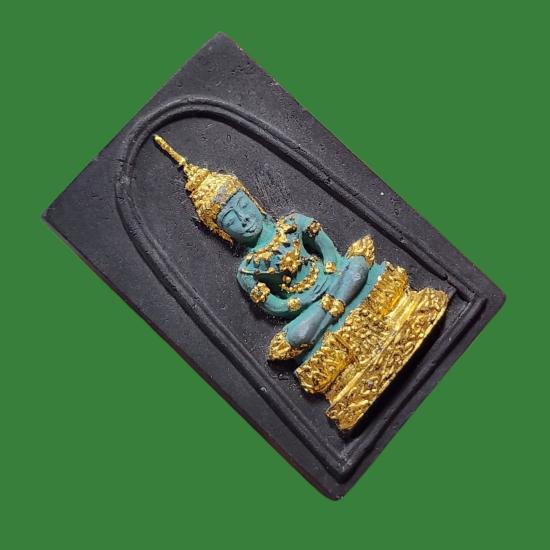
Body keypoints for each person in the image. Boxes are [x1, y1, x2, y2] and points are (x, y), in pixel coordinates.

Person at [154, 135, 375, 360]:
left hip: (330, 278)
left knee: (358, 267)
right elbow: (275, 306)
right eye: (231, 220)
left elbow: (327, 249)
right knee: (297, 336)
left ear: (253, 201)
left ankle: (330, 313)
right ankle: (336, 308)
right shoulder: (248, 271)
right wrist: (300, 302)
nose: (244, 219)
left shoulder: (293, 223)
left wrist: (330, 269)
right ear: (222, 232)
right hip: (307, 307)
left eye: (244, 205)